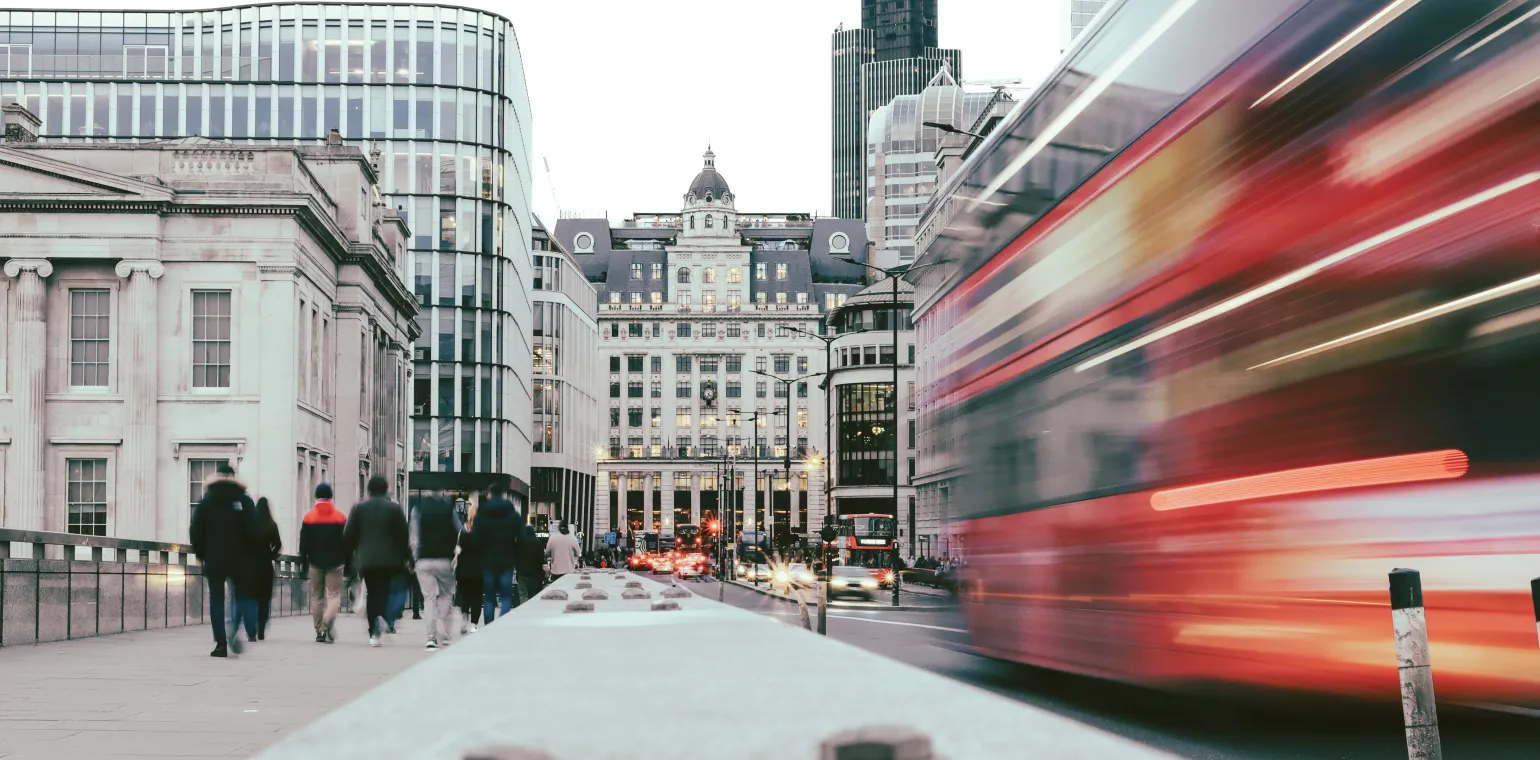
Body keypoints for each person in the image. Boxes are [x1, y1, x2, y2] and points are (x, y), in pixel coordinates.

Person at [189, 464, 260, 658]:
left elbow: (196, 532)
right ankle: (234, 631)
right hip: (241, 559)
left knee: (216, 599)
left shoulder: (207, 501)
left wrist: (202, 554)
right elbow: (254, 532)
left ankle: (220, 642)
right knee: (240, 597)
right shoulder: (244, 500)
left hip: (215, 559)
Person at [343, 475, 409, 647]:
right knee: (385, 591)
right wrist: (407, 557)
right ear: (386, 489)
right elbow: (403, 535)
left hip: (367, 560)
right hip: (390, 560)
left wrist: (349, 561)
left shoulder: (358, 508)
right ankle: (383, 615)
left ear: (369, 489)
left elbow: (348, 536)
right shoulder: (394, 509)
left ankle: (374, 632)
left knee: (372, 592)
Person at [411, 490, 463, 650]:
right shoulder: (449, 509)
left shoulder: (418, 509)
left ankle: (431, 637)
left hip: (424, 559)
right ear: (442, 493)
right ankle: (444, 633)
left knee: (429, 599)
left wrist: (415, 557)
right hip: (444, 559)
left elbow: (414, 536)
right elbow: (460, 531)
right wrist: (456, 553)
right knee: (446, 595)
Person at [298, 483, 348, 643]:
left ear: (316, 496)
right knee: (333, 595)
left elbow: (303, 544)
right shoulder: (341, 517)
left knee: (317, 597)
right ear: (331, 496)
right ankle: (328, 619)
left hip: (315, 562)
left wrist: (303, 561)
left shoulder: (308, 517)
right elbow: (347, 542)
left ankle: (319, 630)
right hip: (336, 562)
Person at [470, 480, 523, 624]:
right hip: (507, 560)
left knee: (489, 597)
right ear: (504, 495)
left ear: (489, 495)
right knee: (506, 596)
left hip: (487, 561)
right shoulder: (513, 515)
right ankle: (502, 625)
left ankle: (489, 627)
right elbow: (521, 538)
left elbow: (475, 540)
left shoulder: (481, 516)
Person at [251, 497, 282, 640]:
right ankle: (261, 628)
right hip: (265, 565)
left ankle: (251, 626)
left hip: (251, 566)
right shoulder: (271, 524)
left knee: (252, 597)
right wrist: (271, 554)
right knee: (264, 599)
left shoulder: (251, 523)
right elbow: (278, 544)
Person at [456, 502, 483, 634]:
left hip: (464, 570)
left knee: (465, 596)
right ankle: (474, 624)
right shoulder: (482, 532)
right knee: (477, 597)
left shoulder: (462, 531)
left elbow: (458, 550)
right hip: (478, 570)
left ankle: (464, 617)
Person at [515, 524, 546, 604]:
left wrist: (517, 568)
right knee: (532, 595)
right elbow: (541, 558)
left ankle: (522, 611)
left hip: (522, 573)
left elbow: (515, 556)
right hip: (534, 573)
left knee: (523, 595)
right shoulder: (537, 542)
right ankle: (530, 611)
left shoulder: (519, 542)